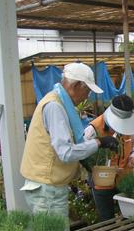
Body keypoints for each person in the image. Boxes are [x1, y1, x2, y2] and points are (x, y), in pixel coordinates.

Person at [20, 63, 120, 215]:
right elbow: (66, 152)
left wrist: (84, 159)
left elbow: (64, 144)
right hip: (47, 190)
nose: (88, 96)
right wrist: (99, 142)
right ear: (77, 85)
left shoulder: (60, 103)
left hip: (49, 188)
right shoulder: (55, 106)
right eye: (87, 90)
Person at [83, 94, 134, 221]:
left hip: (125, 179)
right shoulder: (92, 129)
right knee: (106, 219)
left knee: (130, 217)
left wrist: (133, 156)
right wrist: (105, 168)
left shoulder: (131, 127)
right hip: (102, 182)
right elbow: (83, 154)